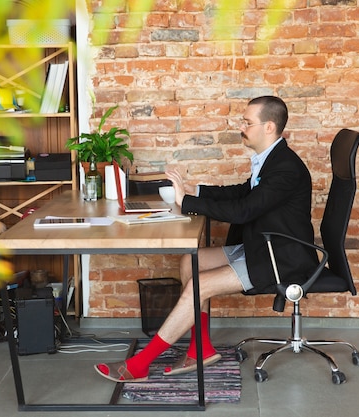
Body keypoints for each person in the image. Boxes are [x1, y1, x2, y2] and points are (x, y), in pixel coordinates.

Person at [94, 96, 319, 382]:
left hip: (280, 258)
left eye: (247, 123)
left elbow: (244, 210)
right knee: (191, 261)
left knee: (198, 287)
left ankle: (139, 365)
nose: (241, 127)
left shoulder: (285, 167)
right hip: (259, 244)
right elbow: (243, 193)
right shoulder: (270, 159)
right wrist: (194, 191)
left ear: (270, 127)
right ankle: (201, 348)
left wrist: (186, 201)